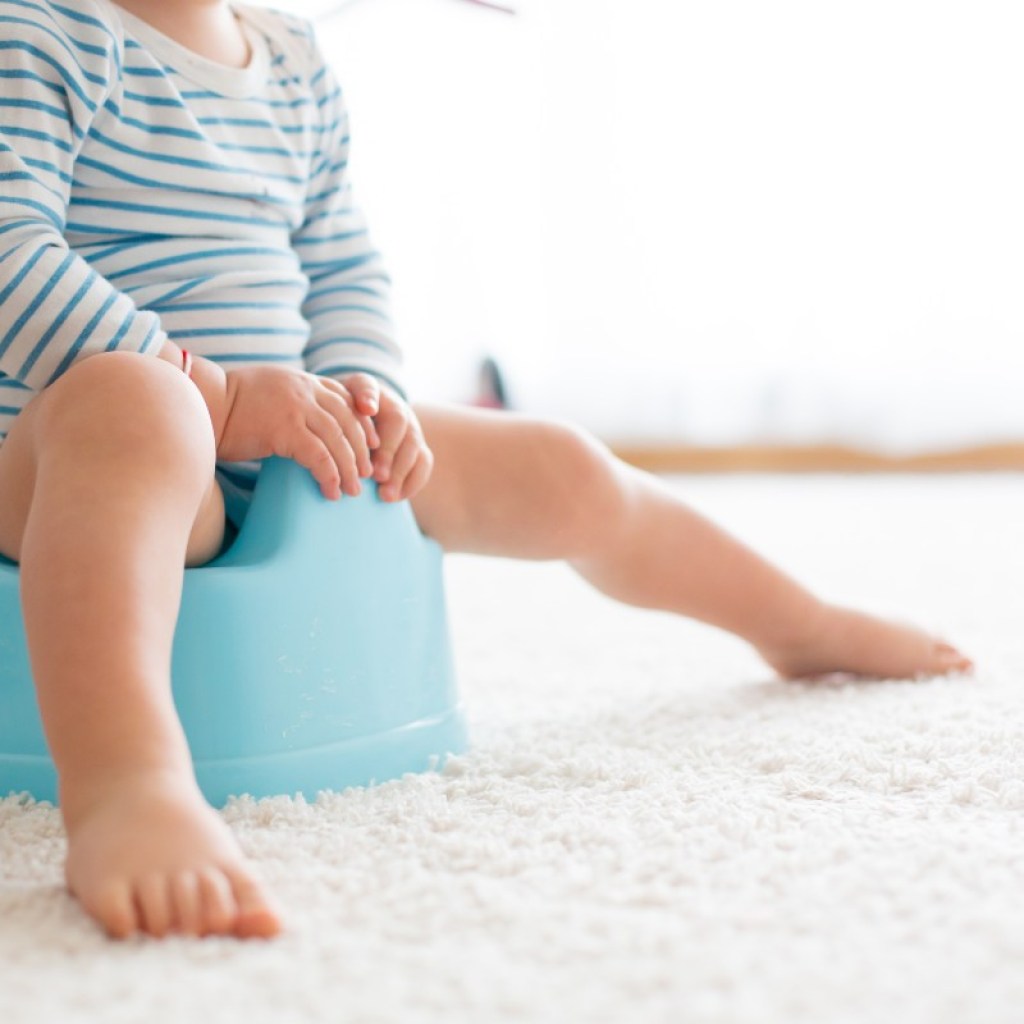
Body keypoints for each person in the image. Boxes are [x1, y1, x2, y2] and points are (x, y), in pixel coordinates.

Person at [0, 0, 971, 942]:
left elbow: (343, 266)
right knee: (136, 398)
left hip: (284, 439)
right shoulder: (46, 30)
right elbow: (11, 251)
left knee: (559, 468)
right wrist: (211, 397)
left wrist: (366, 389)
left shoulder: (289, 57)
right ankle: (127, 786)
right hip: (73, 461)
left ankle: (798, 624)